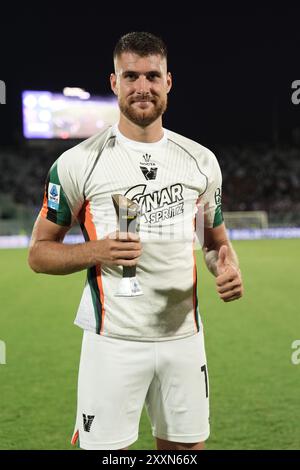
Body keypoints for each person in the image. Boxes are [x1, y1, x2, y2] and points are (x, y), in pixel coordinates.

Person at [28, 31, 243, 451]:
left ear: (168, 82)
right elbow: (38, 253)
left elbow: (215, 242)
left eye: (151, 76)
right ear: (114, 83)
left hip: (184, 338)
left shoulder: (200, 161)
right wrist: (96, 251)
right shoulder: (76, 163)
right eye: (131, 76)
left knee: (185, 453)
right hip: (113, 342)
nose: (142, 87)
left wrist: (227, 266)